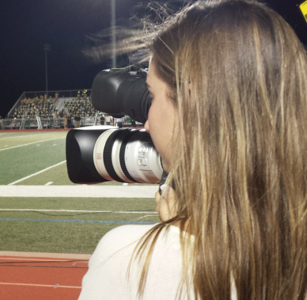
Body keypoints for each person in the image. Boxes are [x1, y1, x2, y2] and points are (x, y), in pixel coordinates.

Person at [79, 1, 307, 299]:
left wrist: (177, 234)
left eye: (152, 95)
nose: (146, 124)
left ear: (192, 110)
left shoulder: (125, 259)